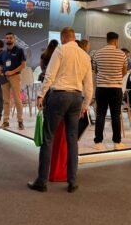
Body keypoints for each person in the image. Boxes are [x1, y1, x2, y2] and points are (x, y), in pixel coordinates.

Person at [28, 27, 93, 193]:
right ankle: (72, 181)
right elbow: (89, 85)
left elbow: (50, 75)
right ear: (74, 37)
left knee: (48, 138)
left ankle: (41, 181)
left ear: (63, 37)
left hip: (59, 96)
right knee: (72, 139)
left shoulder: (61, 50)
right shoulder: (85, 56)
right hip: (76, 98)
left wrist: (41, 95)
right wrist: (85, 105)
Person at [92, 32, 127, 150]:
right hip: (116, 88)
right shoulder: (122, 54)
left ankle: (98, 142)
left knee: (100, 114)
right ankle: (117, 142)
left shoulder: (98, 53)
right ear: (116, 41)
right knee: (115, 115)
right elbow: (124, 71)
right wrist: (115, 76)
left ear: (107, 40)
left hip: (101, 88)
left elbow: (95, 70)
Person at [0, 32, 26, 130]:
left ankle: (20, 121)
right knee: (6, 100)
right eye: (7, 38)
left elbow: (23, 65)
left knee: (17, 100)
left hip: (15, 77)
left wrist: (12, 72)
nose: (8, 39)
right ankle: (5, 121)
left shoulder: (19, 50)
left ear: (14, 39)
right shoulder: (4, 53)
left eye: (10, 38)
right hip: (4, 77)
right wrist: (0, 70)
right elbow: (2, 65)